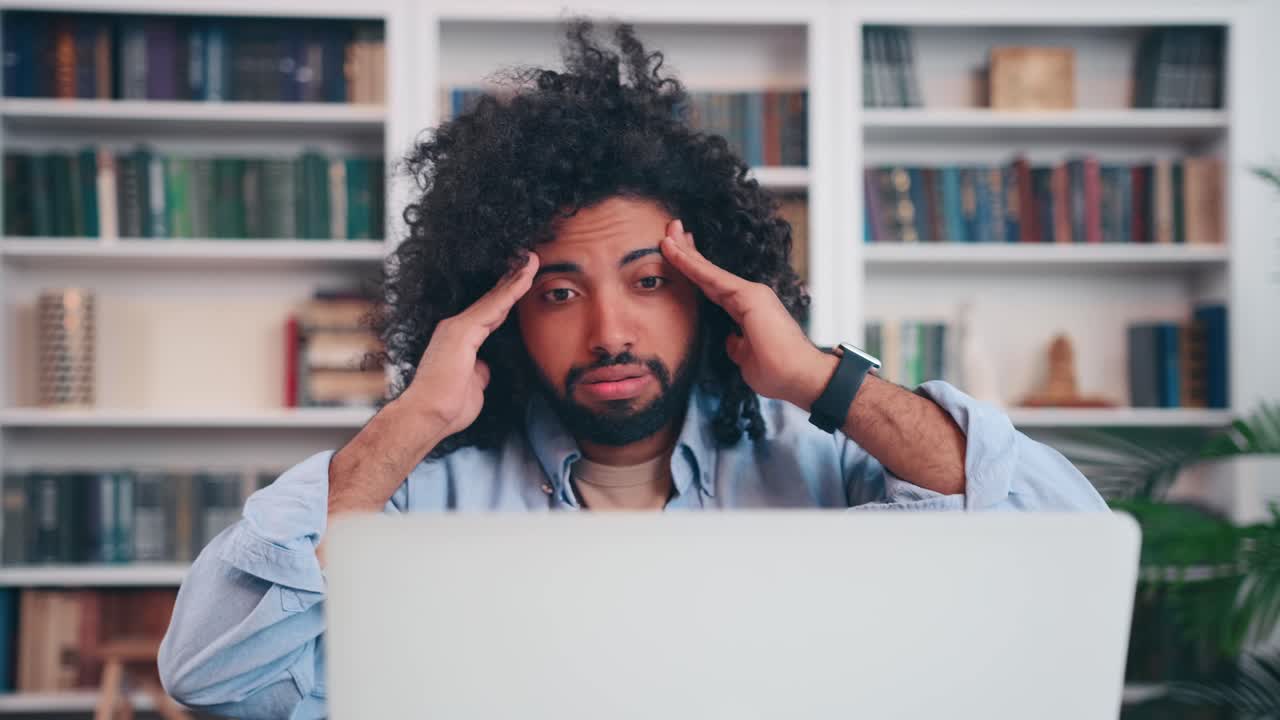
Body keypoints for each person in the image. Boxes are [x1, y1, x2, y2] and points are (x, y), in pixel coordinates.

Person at [158, 21, 1106, 718]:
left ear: (708, 289)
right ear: (500, 313)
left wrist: (825, 380)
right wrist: (407, 422)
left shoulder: (826, 463)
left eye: (648, 281)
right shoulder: (408, 491)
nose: (611, 329)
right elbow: (211, 675)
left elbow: (1062, 556)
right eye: (559, 292)